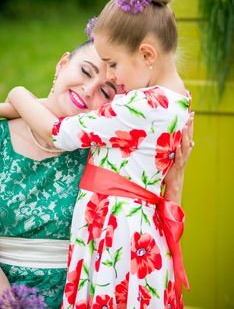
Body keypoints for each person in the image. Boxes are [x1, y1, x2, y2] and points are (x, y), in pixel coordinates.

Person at [0, 37, 193, 308]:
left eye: (106, 91)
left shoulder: (110, 154)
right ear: (62, 63)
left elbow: (147, 231)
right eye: (85, 71)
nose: (89, 90)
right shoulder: (2, 137)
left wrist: (174, 183)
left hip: (86, 292)